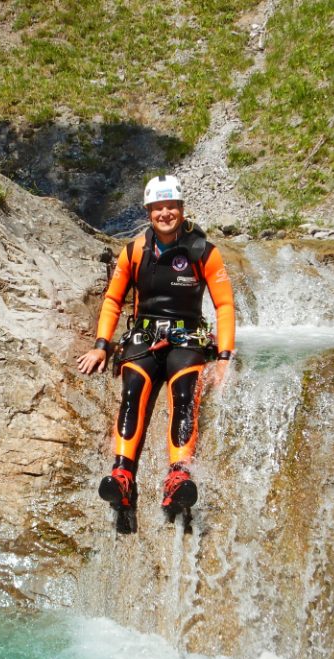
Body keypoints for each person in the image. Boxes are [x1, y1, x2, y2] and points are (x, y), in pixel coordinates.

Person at [77, 175, 236, 531]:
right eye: (158, 207)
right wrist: (102, 345)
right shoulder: (134, 251)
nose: (165, 213)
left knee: (184, 397)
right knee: (132, 393)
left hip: (188, 341)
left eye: (171, 206)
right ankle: (122, 475)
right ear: (149, 211)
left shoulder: (204, 252)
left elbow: (224, 306)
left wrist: (224, 358)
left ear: (181, 208)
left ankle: (177, 477)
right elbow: (113, 299)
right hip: (144, 339)